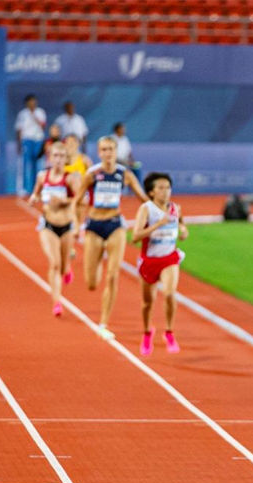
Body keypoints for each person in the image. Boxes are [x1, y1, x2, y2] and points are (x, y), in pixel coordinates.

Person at [73, 136, 149, 340]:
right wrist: (75, 225)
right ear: (99, 152)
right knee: (91, 282)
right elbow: (77, 200)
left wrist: (163, 208)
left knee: (113, 275)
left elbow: (143, 199)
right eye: (104, 150)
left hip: (115, 225)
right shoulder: (92, 174)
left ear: (116, 152)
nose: (108, 153)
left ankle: (104, 323)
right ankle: (97, 260)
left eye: (111, 150)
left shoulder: (125, 174)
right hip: (94, 226)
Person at [132, 173, 188, 355]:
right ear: (151, 192)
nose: (165, 191)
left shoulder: (175, 208)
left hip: (169, 258)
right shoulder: (146, 209)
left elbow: (182, 226)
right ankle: (148, 332)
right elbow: (135, 237)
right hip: (149, 260)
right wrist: (158, 224)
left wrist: (183, 230)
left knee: (170, 294)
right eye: (161, 188)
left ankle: (169, 332)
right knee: (148, 302)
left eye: (168, 187)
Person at [28, 142, 79, 316]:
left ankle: (68, 268)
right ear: (50, 158)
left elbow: (80, 200)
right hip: (48, 225)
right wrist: (34, 198)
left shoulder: (71, 178)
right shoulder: (43, 176)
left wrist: (63, 201)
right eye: (55, 156)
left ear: (66, 159)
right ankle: (57, 302)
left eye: (61, 156)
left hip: (66, 226)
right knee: (55, 264)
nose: (57, 160)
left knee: (63, 266)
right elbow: (36, 192)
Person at [15, 94, 46, 194]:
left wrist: (34, 116)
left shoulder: (40, 112)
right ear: (26, 103)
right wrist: (19, 144)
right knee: (26, 164)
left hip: (38, 140)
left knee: (37, 165)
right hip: (27, 140)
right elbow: (19, 130)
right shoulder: (22, 114)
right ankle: (24, 188)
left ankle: (36, 188)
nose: (32, 103)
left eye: (34, 101)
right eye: (30, 102)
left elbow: (43, 126)